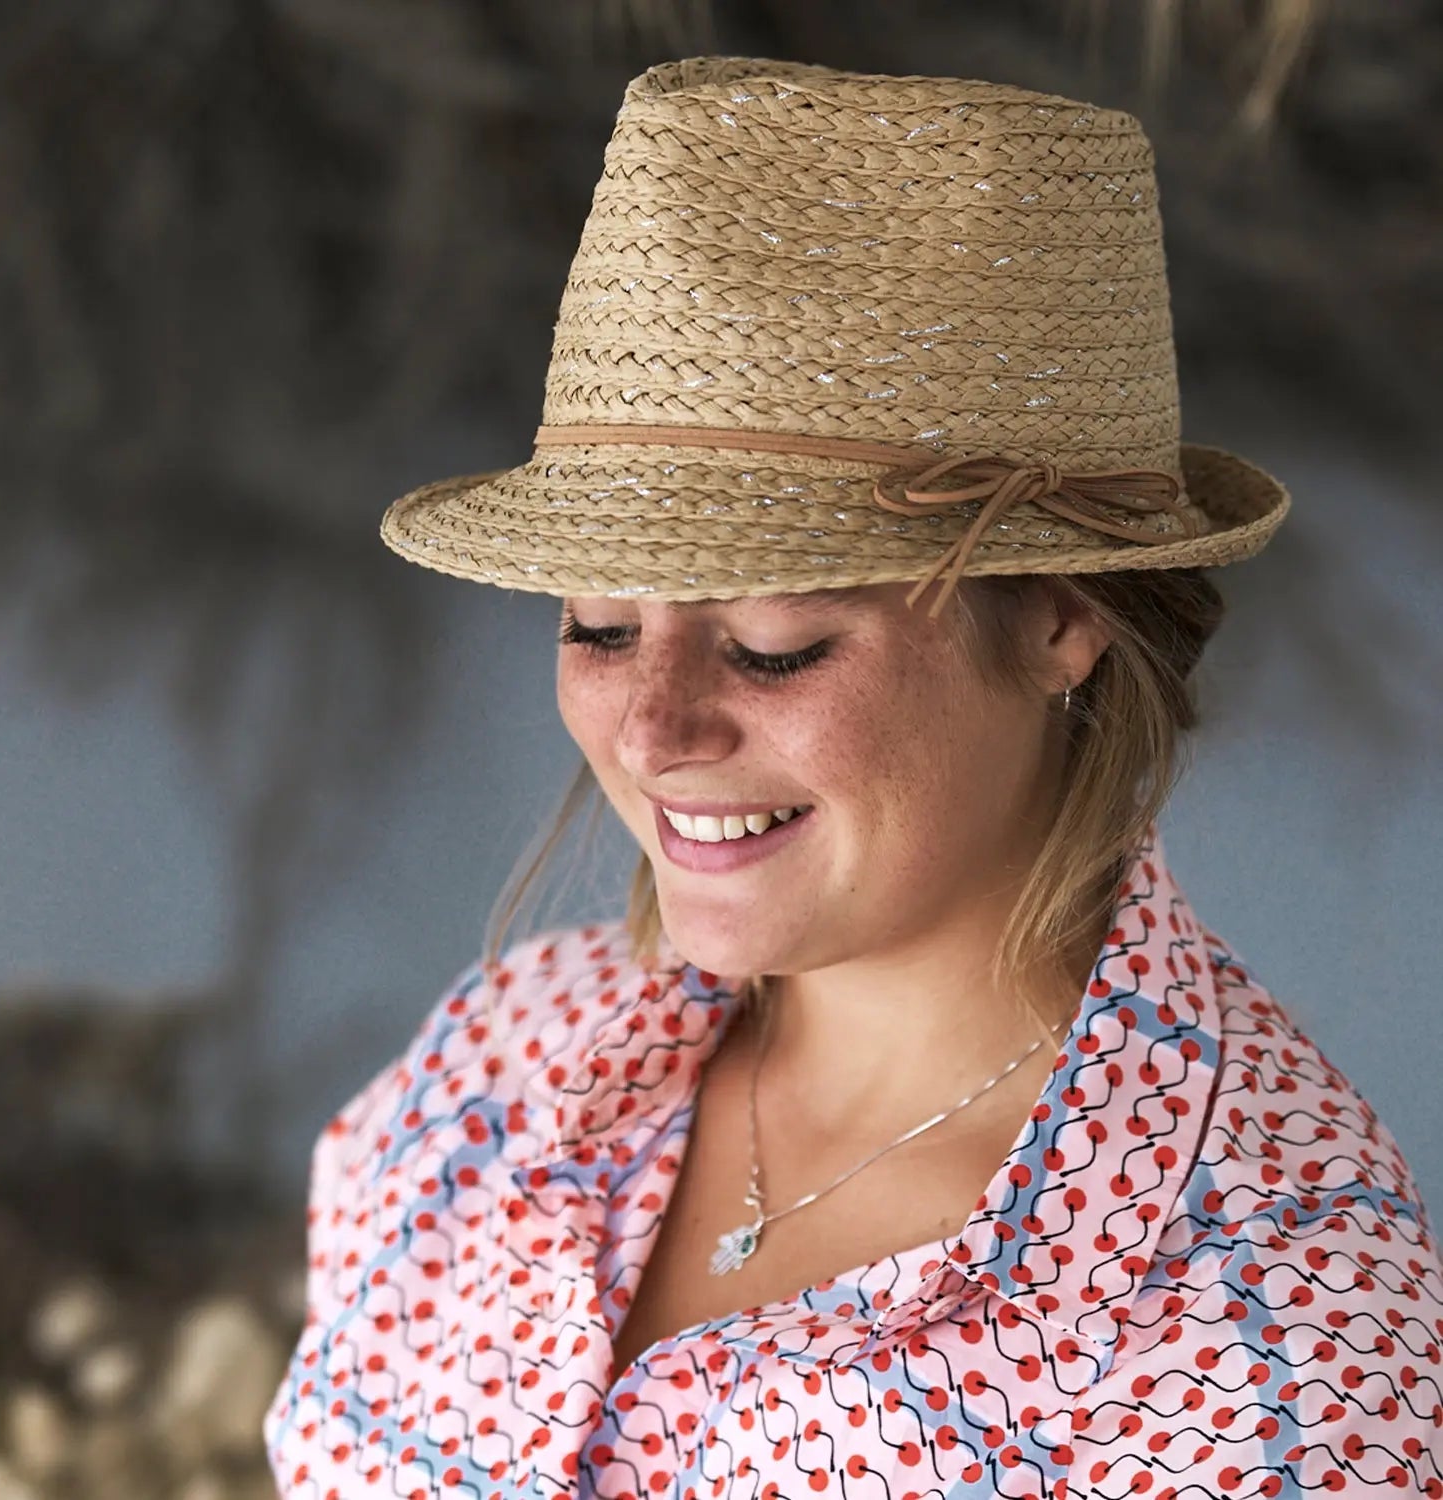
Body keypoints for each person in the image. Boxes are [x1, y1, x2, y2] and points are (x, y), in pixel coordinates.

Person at [264, 57, 1443, 1499]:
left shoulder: (1270, 1336)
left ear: (1060, 620)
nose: (653, 730)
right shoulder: (496, 1065)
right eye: (600, 628)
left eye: (775, 646)